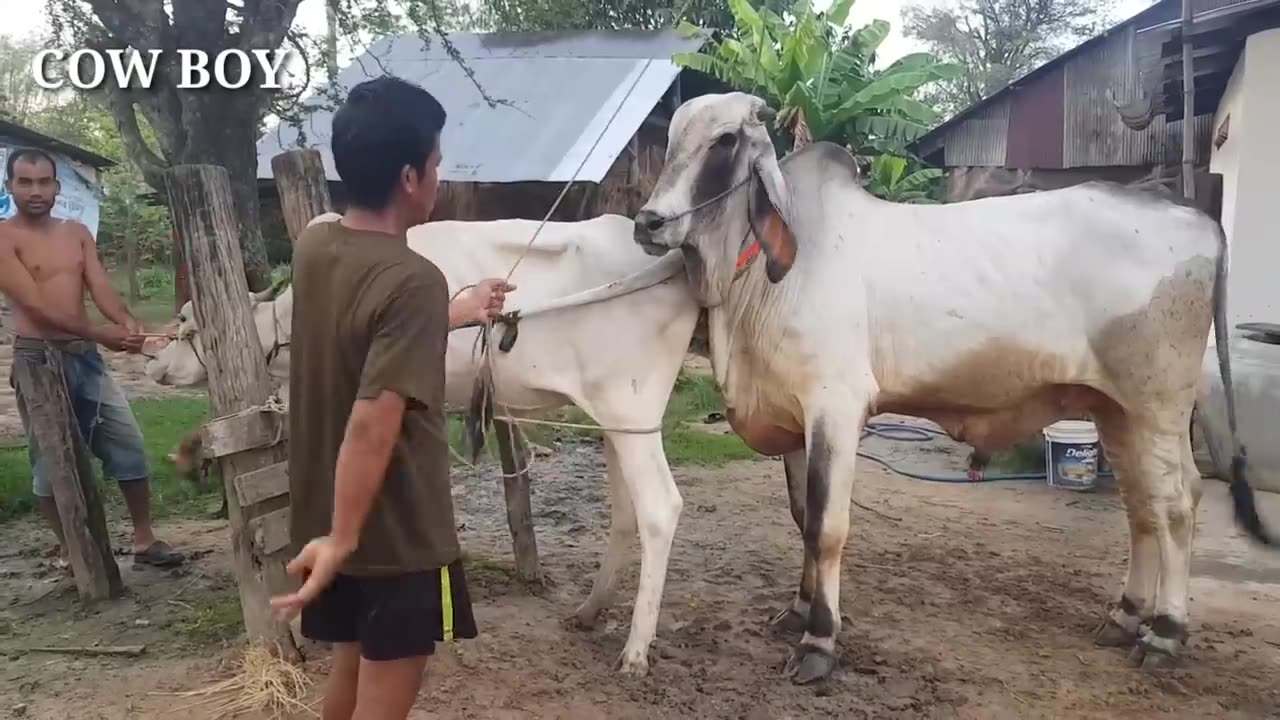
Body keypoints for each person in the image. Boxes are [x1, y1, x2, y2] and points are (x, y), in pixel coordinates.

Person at [269, 76, 515, 720]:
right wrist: (347, 540)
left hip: (329, 518)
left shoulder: (317, 246)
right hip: (393, 533)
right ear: (411, 177)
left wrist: (452, 314)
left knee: (350, 673)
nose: (440, 174)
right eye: (436, 162)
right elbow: (374, 425)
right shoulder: (413, 281)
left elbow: (362, 330)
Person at [0, 147, 184, 568]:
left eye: (44, 182)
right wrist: (102, 334)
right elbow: (37, 308)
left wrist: (126, 321)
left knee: (128, 446)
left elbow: (99, 287)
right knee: (51, 462)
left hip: (85, 359)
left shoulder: (76, 232)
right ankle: (72, 549)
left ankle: (143, 540)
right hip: (38, 361)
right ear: (10, 187)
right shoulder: (3, 237)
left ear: (56, 187)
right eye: (25, 182)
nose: (35, 190)